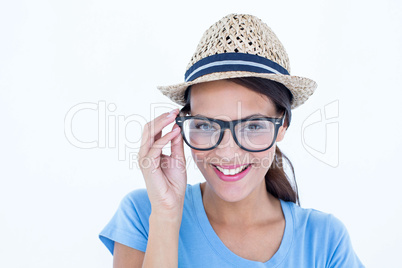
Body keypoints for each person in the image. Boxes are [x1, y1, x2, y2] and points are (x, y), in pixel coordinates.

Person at [99, 14, 365, 267]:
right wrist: (166, 216)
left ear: (282, 125)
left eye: (253, 125)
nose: (227, 152)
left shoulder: (325, 241)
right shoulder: (144, 214)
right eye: (205, 124)